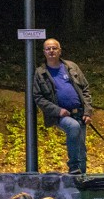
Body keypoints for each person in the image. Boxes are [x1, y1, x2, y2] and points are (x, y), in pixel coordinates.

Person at [32, 38, 94, 174]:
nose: (51, 51)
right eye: (48, 49)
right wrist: (58, 111)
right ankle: (73, 167)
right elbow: (38, 98)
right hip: (60, 115)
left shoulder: (71, 67)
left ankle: (81, 178)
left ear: (60, 51)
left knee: (81, 148)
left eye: (54, 48)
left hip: (80, 113)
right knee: (73, 127)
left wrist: (88, 112)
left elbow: (85, 89)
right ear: (44, 52)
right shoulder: (40, 73)